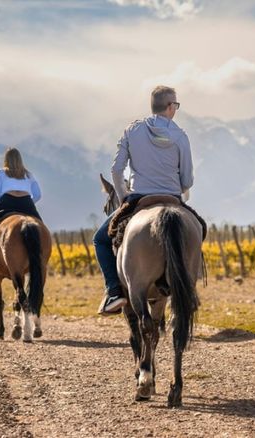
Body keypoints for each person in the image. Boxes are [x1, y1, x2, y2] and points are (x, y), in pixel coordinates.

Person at [94, 85, 194, 315]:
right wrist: (178, 187)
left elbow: (116, 171)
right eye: (176, 105)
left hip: (138, 198)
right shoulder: (180, 136)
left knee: (100, 240)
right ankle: (188, 286)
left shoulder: (132, 130)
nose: (176, 109)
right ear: (170, 107)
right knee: (199, 229)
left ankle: (114, 293)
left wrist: (123, 199)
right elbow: (187, 179)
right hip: (172, 197)